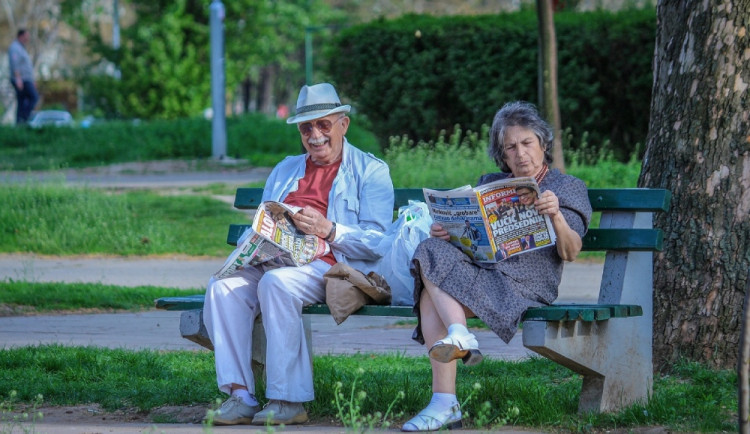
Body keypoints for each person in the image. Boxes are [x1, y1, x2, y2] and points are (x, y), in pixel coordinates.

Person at [203, 83, 394, 426]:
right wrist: (256, 244)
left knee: (277, 284)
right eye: (307, 128)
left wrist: (329, 229)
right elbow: (263, 221)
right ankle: (241, 395)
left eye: (324, 125)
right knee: (222, 287)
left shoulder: (371, 170)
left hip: (332, 267)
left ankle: (288, 400)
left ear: (343, 125)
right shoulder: (285, 169)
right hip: (278, 261)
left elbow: (379, 243)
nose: (315, 135)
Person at [402, 101, 592, 432]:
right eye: (510, 148)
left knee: (430, 296)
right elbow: (471, 241)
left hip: (527, 286)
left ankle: (444, 401)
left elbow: (571, 251)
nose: (520, 154)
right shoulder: (491, 183)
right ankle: (459, 337)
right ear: (502, 156)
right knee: (429, 248)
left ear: (542, 144)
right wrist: (449, 233)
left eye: (527, 143)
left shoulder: (566, 187)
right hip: (485, 274)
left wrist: (556, 215)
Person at [7, 29, 38, 124]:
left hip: (26, 79)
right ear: (20, 36)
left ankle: (19, 123)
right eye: (26, 36)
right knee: (34, 97)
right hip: (22, 80)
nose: (27, 39)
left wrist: (32, 80)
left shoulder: (21, 48)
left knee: (22, 101)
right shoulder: (15, 48)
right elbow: (15, 64)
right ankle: (24, 118)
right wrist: (18, 79)